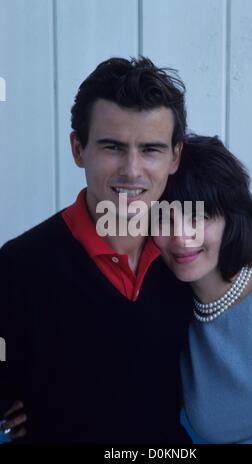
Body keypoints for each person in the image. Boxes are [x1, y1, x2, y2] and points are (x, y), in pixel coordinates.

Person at [0, 57, 193, 443]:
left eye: (151, 149)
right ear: (77, 148)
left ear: (175, 157)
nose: (132, 170)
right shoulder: (19, 267)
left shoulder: (189, 258)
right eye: (112, 147)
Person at [154, 134, 252, 444]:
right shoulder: (168, 325)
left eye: (199, 216)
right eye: (165, 220)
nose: (182, 238)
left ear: (231, 219)